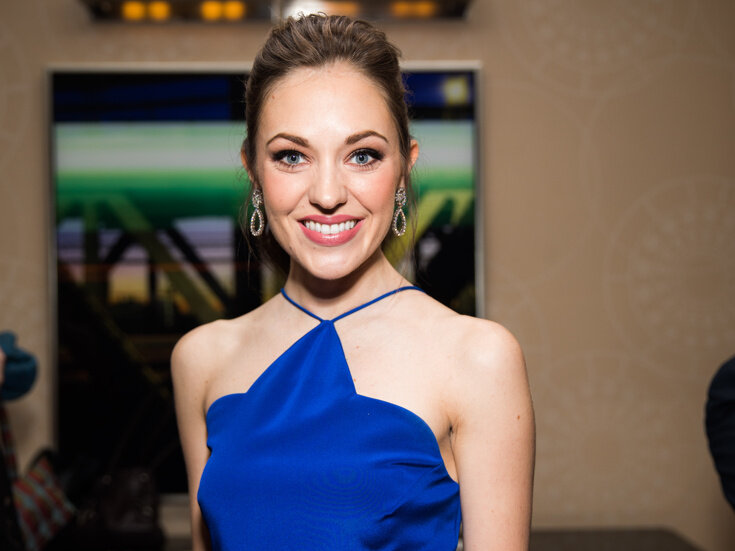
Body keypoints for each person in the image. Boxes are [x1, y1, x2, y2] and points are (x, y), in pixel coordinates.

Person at [172, 14, 534, 551]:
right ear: (253, 170)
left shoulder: (478, 358)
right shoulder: (202, 359)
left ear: (404, 168)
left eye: (362, 155)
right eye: (291, 156)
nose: (326, 193)